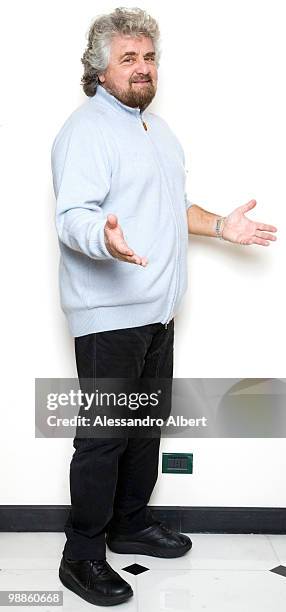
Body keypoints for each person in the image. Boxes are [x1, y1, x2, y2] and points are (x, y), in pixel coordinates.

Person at [50, 7, 277, 607]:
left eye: (149, 57)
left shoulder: (157, 131)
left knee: (144, 429)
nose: (143, 68)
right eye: (128, 58)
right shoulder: (87, 130)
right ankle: (81, 555)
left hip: (156, 312)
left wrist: (222, 227)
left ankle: (129, 525)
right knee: (104, 437)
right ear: (99, 70)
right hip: (110, 313)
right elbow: (74, 217)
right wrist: (106, 238)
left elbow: (172, 210)